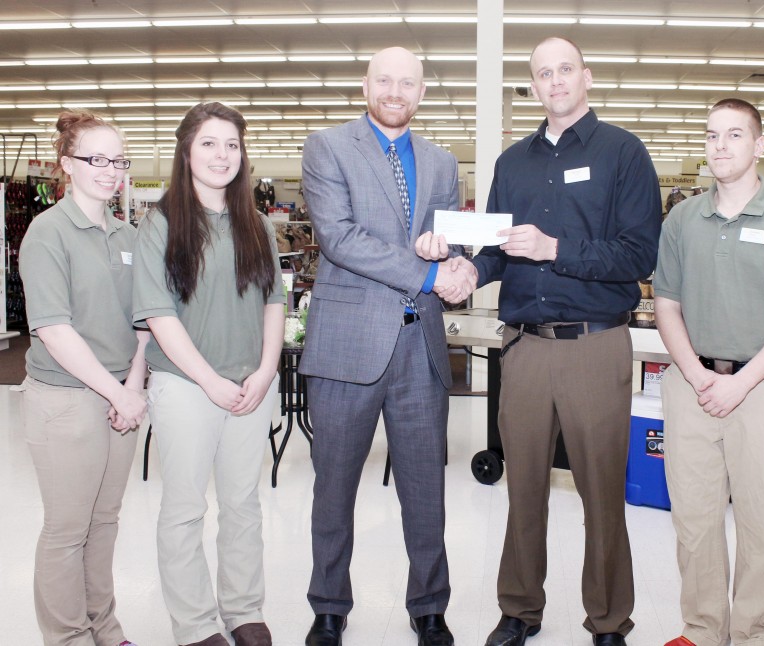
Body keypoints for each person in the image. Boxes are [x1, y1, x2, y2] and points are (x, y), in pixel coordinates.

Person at [419, 36, 661, 646]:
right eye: (542, 73)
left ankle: (608, 619)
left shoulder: (623, 154)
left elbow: (639, 253)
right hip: (524, 346)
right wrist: (471, 272)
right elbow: (496, 248)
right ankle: (520, 610)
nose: (555, 81)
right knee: (522, 485)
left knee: (602, 490)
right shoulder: (512, 162)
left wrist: (557, 248)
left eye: (565, 70)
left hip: (594, 343)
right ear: (532, 86)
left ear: (586, 76)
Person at [298, 46, 473, 646]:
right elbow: (339, 237)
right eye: (384, 81)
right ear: (365, 85)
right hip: (348, 344)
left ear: (422, 92)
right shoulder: (327, 147)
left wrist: (461, 266)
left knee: (426, 489)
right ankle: (328, 607)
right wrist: (428, 274)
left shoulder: (443, 162)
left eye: (408, 83)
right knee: (334, 486)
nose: (395, 92)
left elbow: (449, 241)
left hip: (419, 346)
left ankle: (429, 607)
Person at [653, 98, 764, 646]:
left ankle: (752, 633)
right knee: (694, 519)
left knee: (759, 521)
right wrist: (696, 373)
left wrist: (741, 381)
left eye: (734, 135)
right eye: (711, 136)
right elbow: (666, 303)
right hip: (693, 384)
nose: (721, 147)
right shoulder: (683, 218)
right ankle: (703, 630)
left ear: (759, 145)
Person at [132, 102, 284, 646]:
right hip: (185, 386)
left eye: (232, 145)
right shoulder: (161, 223)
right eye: (209, 144)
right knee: (185, 508)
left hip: (250, 386)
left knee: (243, 504)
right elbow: (159, 314)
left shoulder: (258, 225)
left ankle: (244, 611)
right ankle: (196, 625)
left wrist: (266, 370)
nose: (223, 155)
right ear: (186, 151)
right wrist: (209, 381)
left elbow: (272, 304)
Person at [20, 110, 148, 646]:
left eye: (117, 159)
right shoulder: (47, 233)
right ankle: (69, 636)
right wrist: (118, 391)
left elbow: (145, 322)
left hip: (122, 399)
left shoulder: (127, 233)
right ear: (66, 165)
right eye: (96, 159)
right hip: (66, 402)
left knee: (105, 523)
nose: (110, 170)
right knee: (67, 530)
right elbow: (53, 329)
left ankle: (105, 625)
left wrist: (133, 389)